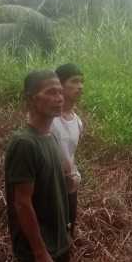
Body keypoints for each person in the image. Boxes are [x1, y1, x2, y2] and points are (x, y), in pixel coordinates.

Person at [3, 70, 71, 262]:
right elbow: (22, 204)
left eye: (60, 91)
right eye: (50, 92)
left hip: (60, 242)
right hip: (39, 249)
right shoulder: (23, 143)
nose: (59, 97)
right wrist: (41, 254)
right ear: (32, 99)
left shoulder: (51, 136)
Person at [50, 63, 84, 238]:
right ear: (61, 85)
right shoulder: (49, 120)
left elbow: (70, 154)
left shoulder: (77, 121)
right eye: (75, 81)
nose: (80, 86)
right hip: (50, 189)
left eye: (82, 82)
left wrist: (73, 175)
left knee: (68, 234)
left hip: (70, 188)